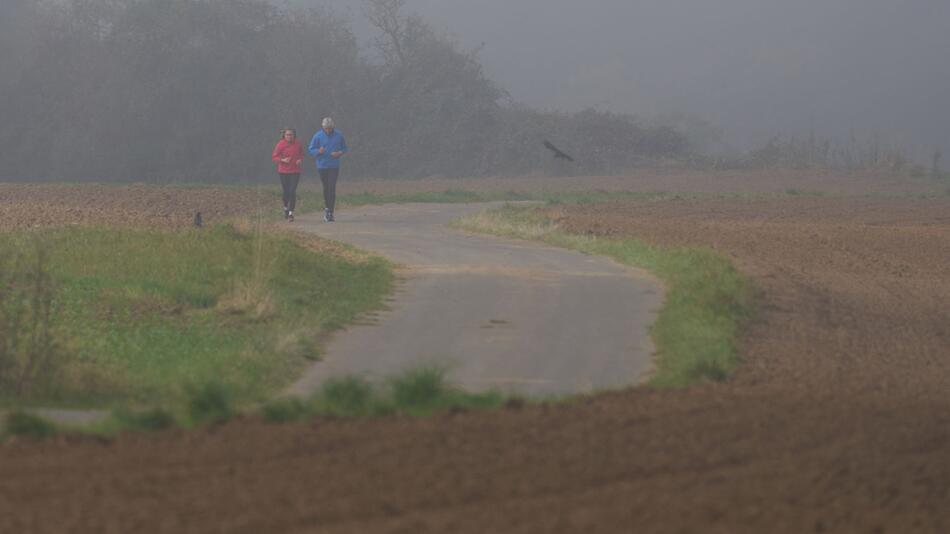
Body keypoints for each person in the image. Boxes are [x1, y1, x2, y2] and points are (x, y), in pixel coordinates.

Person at [308, 117, 348, 222]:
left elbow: (344, 148)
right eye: (326, 128)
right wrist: (318, 151)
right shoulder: (318, 136)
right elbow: (311, 149)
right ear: (323, 127)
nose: (328, 130)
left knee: (332, 187)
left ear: (333, 126)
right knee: (326, 188)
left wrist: (339, 153)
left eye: (330, 128)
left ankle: (331, 212)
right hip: (322, 165)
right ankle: (327, 208)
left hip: (334, 166)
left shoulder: (339, 135)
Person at [271, 128, 304, 222]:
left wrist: (300, 159)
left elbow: (301, 153)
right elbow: (274, 157)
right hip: (283, 171)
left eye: (291, 134)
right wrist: (282, 160)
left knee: (292, 191)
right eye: (288, 135)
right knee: (286, 192)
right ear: (284, 136)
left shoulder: (298, 143)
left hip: (295, 171)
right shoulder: (280, 144)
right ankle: (285, 207)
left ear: (294, 135)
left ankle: (291, 213)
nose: (290, 136)